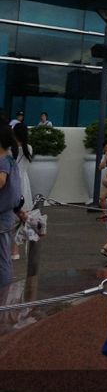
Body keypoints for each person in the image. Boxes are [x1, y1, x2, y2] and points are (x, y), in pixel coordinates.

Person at [0, 125, 26, 291]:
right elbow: (15, 192)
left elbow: (1, 181)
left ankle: (4, 296)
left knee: (2, 259)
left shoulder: (2, 161)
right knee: (4, 257)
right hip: (7, 215)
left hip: (1, 216)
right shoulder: (10, 159)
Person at [10, 122, 33, 262]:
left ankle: (10, 250)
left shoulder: (10, 148)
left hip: (13, 182)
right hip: (24, 182)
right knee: (21, 218)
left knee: (11, 217)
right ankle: (15, 250)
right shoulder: (28, 148)